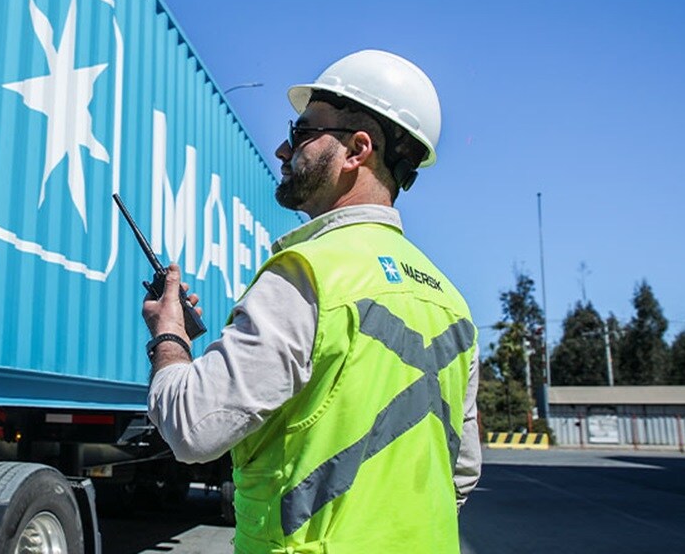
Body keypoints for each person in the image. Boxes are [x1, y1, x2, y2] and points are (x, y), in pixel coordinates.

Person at [142, 49, 480, 553]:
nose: (283, 149)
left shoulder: (308, 274)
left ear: (356, 150)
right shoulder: (452, 304)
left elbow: (192, 426)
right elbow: (462, 471)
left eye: (301, 133)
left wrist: (169, 336)